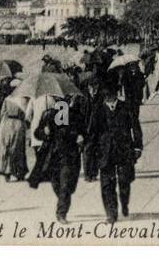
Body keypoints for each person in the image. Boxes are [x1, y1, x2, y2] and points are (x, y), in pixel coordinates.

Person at [86, 82, 143, 223]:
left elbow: (135, 128)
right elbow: (92, 132)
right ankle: (111, 214)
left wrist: (137, 147)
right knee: (107, 184)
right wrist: (91, 152)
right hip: (105, 152)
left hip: (124, 150)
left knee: (125, 181)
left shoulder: (126, 107)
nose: (107, 99)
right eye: (105, 96)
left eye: (109, 96)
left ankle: (124, 202)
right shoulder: (98, 110)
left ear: (115, 94)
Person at [28, 93, 85, 222]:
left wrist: (80, 137)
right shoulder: (48, 115)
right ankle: (63, 200)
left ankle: (61, 213)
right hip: (52, 155)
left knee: (65, 184)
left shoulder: (76, 116)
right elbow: (37, 132)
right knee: (56, 184)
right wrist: (44, 132)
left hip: (69, 155)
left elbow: (85, 131)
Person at [0, 87, 30, 182]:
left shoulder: (7, 99)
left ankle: (6, 171)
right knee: (18, 148)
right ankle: (19, 172)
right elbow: (27, 115)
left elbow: (2, 114)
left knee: (7, 147)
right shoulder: (24, 99)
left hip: (8, 123)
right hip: (19, 124)